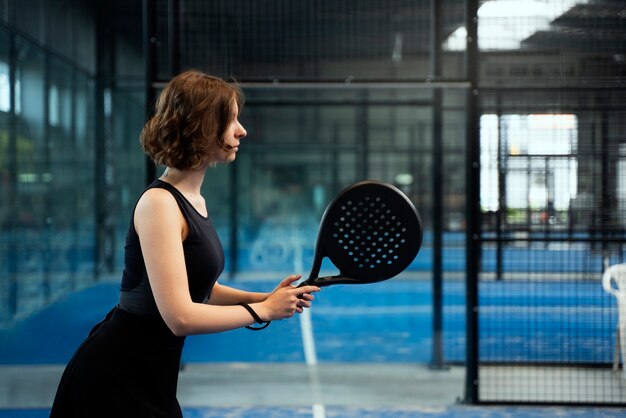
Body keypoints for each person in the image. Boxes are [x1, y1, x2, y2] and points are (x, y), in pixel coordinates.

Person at [50, 70, 320, 418]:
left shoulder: (194, 200)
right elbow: (179, 316)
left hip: (152, 375)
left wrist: (265, 297)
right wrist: (264, 311)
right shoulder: (160, 204)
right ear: (203, 127)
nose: (242, 130)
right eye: (231, 120)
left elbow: (201, 289)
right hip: (113, 378)